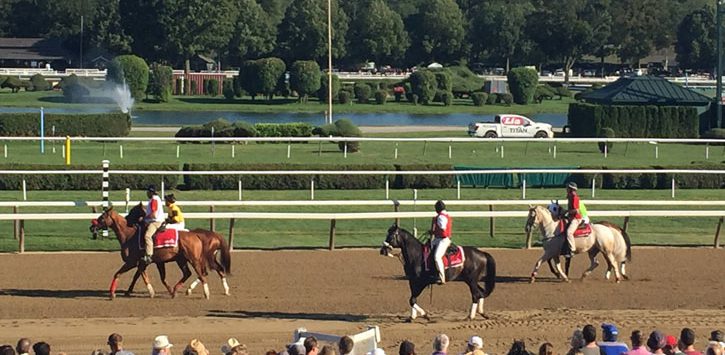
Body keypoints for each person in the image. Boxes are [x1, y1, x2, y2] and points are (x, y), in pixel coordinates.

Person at [562, 182, 589, 258]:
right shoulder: (569, 196)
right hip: (571, 217)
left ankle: (572, 250)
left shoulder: (574, 198)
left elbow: (576, 210)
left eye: (567, 188)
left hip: (576, 219)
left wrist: (566, 212)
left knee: (569, 232)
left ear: (571, 189)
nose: (566, 189)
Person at [431, 200, 452, 284]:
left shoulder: (440, 217)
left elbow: (442, 227)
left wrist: (434, 231)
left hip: (443, 240)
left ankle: (442, 277)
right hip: (438, 239)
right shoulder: (445, 215)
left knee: (437, 257)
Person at [143, 185, 165, 264]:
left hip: (156, 222)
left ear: (151, 192)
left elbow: (154, 214)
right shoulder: (154, 199)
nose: (147, 193)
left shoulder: (154, 200)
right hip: (154, 220)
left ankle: (149, 255)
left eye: (148, 192)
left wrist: (145, 218)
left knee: (147, 236)